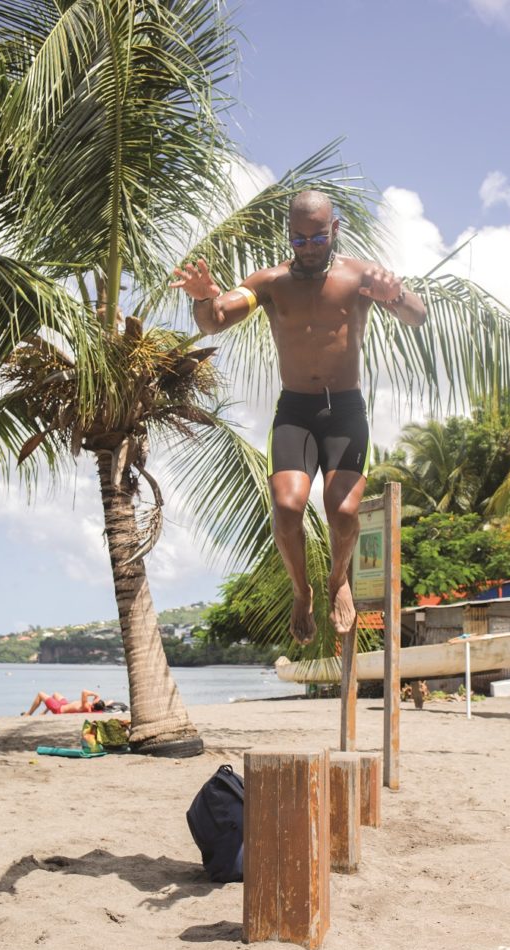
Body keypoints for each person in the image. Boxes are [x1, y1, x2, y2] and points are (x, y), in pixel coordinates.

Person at [171, 190, 427, 644]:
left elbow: (417, 315)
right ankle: (302, 591)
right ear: (288, 236)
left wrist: (398, 295)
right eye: (299, 239)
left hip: (345, 409)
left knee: (343, 513)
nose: (308, 248)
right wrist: (202, 297)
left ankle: (337, 580)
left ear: (335, 229)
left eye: (317, 238)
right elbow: (214, 320)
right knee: (287, 510)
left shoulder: (361, 276)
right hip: (296, 410)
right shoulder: (271, 282)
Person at [22, 689, 103, 716]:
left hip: (59, 709)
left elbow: (84, 691)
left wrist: (96, 694)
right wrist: (98, 700)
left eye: (97, 700)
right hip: (65, 705)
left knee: (40, 694)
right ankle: (44, 713)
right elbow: (108, 703)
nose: (96, 699)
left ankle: (28, 714)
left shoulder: (86, 707)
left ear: (94, 705)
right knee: (55, 694)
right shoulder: (92, 707)